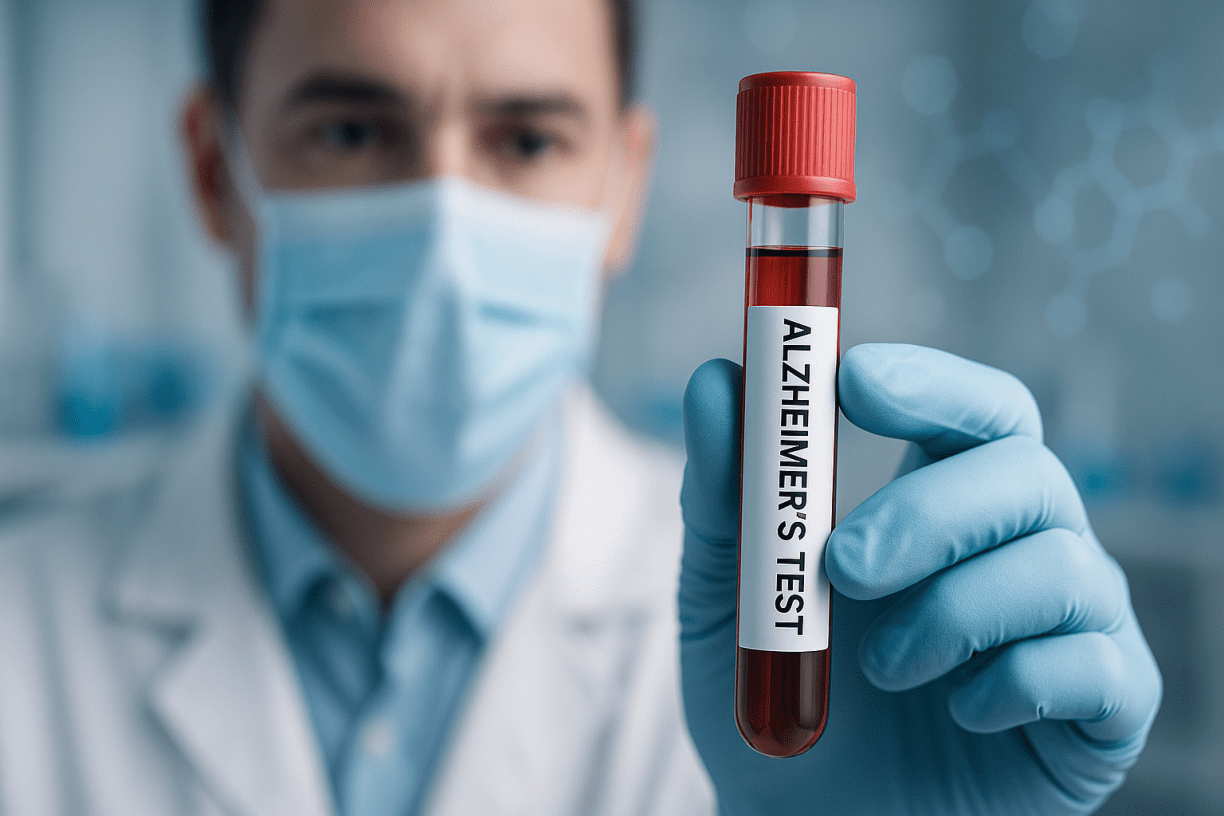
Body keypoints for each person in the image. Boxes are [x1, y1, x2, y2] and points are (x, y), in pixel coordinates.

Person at [0, 0, 1160, 814]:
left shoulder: (787, 632)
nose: (447, 229)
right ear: (215, 172)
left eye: (526, 138)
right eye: (351, 131)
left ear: (623, 187)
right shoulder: (22, 638)